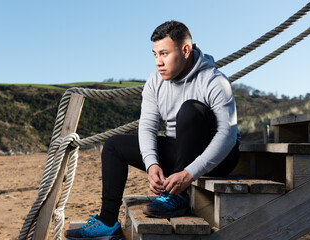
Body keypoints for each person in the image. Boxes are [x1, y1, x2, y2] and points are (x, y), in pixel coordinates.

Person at [65, 20, 240, 240]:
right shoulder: (154, 81)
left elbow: (227, 135)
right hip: (179, 151)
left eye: (164, 53)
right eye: (155, 54)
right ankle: (107, 222)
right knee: (113, 146)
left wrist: (189, 174)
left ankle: (178, 196)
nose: (158, 62)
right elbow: (147, 125)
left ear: (185, 50)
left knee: (190, 110)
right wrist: (152, 163)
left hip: (219, 156)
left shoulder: (214, 81)